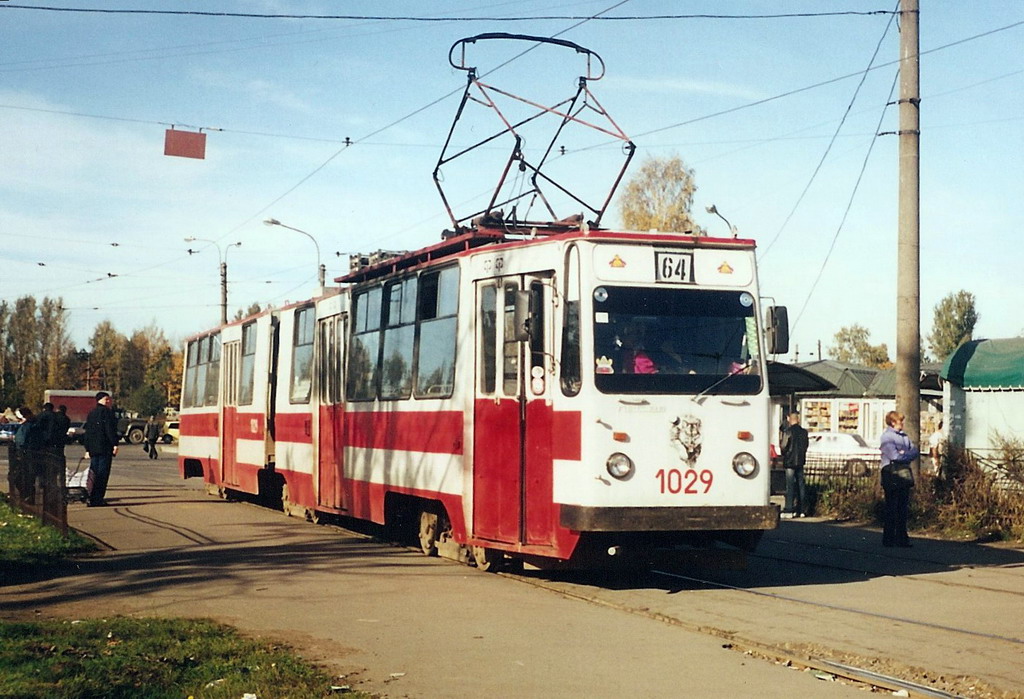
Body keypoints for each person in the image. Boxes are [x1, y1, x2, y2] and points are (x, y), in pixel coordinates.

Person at [879, 410, 920, 548]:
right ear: (892, 422)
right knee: (892, 506)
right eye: (899, 421)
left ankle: (902, 538)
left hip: (903, 472)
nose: (902, 423)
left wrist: (904, 454)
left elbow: (914, 451)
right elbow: (894, 456)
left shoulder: (904, 437)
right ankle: (889, 538)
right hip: (891, 472)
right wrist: (905, 455)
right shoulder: (887, 437)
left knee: (902, 507)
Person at [83, 391, 119, 507]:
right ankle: (98, 499)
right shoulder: (107, 413)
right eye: (106, 399)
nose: (108, 401)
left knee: (93, 474)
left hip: (93, 449)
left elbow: (87, 432)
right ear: (100, 400)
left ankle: (90, 497)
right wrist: (115, 444)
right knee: (102, 474)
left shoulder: (91, 413)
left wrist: (87, 448)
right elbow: (109, 430)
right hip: (105, 448)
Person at [780, 412, 809, 518]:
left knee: (790, 486)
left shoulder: (788, 431)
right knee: (801, 485)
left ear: (789, 420)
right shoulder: (804, 432)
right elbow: (806, 446)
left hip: (790, 462)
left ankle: (789, 509)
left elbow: (783, 446)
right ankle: (802, 510)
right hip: (800, 461)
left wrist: (785, 454)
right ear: (798, 420)